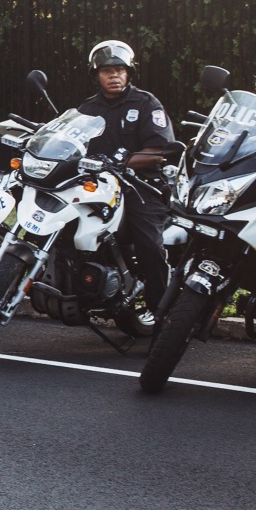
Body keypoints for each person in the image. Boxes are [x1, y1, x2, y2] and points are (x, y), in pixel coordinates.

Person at [75, 39, 176, 316]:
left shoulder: (145, 103)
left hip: (140, 187)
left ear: (129, 72)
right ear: (96, 75)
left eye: (120, 70)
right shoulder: (87, 109)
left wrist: (121, 163)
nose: (114, 75)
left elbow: (159, 150)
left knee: (149, 247)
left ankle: (161, 316)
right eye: (107, 71)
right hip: (97, 187)